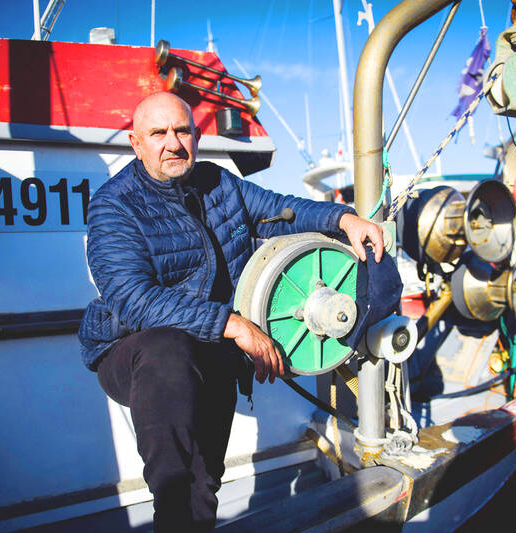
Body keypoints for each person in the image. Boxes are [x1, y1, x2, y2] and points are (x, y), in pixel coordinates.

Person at [78, 91, 384, 532]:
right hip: (133, 352)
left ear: (197, 136)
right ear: (136, 143)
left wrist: (344, 219)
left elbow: (284, 211)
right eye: (158, 133)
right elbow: (132, 299)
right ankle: (170, 505)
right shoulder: (115, 205)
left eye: (182, 131)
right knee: (168, 350)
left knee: (206, 482)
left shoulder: (218, 184)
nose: (172, 143)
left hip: (212, 344)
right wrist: (234, 325)